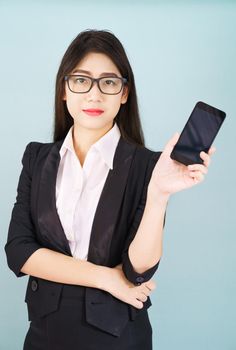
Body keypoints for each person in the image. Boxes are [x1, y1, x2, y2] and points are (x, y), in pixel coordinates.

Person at [5, 29, 215, 350]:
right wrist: (105, 278)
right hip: (44, 335)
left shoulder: (149, 166)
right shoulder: (37, 157)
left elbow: (136, 270)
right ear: (64, 89)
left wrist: (159, 194)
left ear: (124, 93)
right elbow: (19, 251)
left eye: (109, 82)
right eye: (81, 80)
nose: (94, 94)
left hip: (118, 337)